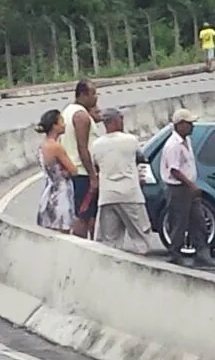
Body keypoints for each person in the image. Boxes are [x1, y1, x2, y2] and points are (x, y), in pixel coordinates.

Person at [160, 108, 215, 268]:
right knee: (179, 222)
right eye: (189, 123)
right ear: (180, 125)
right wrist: (191, 185)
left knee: (198, 221)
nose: (192, 126)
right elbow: (174, 169)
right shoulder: (173, 145)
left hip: (188, 187)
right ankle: (175, 253)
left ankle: (202, 254)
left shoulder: (187, 141)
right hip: (179, 188)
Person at [92, 108, 154, 255]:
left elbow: (95, 165)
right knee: (142, 236)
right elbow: (141, 158)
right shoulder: (130, 140)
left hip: (107, 196)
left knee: (109, 241)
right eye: (121, 119)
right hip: (130, 194)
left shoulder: (96, 145)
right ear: (115, 121)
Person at [60, 80, 100, 239]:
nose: (96, 98)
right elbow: (82, 148)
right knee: (83, 216)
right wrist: (93, 176)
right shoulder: (81, 116)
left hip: (72, 171)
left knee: (87, 214)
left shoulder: (67, 112)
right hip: (82, 173)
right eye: (93, 93)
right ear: (83, 94)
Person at [35, 109, 77, 233]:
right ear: (54, 125)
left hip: (47, 192)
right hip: (61, 194)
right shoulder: (56, 147)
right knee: (63, 230)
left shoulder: (42, 146)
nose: (64, 125)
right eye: (61, 122)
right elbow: (73, 170)